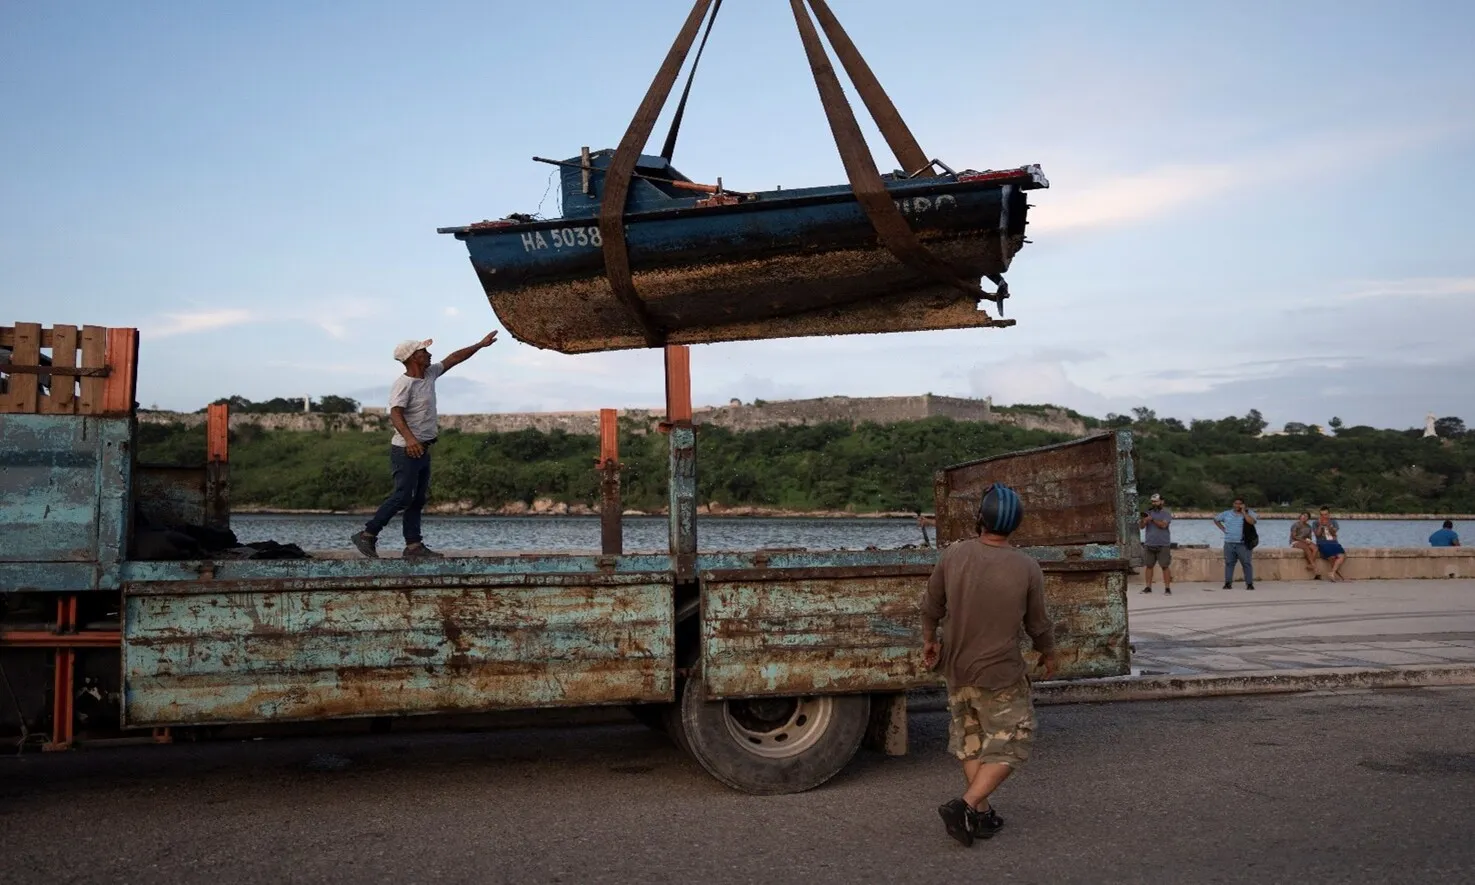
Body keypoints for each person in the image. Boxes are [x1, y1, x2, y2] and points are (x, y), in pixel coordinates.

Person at [921, 482, 1057, 847]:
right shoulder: (1027, 566)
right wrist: (1049, 652)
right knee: (1013, 742)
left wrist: (930, 640)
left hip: (956, 668)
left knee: (973, 743)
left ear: (980, 518)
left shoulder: (954, 554)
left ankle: (980, 815)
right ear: (1016, 524)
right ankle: (964, 805)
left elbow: (931, 605)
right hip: (1000, 673)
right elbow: (1038, 624)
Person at [351, 332, 499, 559]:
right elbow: (396, 414)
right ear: (412, 358)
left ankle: (413, 546)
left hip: (423, 447)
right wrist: (410, 440)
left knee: (417, 499)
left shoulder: (429, 374)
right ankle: (368, 534)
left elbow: (454, 358)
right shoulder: (403, 384)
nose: (429, 355)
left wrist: (480, 345)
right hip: (406, 449)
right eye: (423, 352)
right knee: (403, 496)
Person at [1213, 497, 1258, 590]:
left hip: (1243, 543)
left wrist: (1244, 512)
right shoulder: (1226, 513)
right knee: (1229, 563)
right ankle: (1228, 583)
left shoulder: (1250, 513)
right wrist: (1223, 529)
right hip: (1229, 542)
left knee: (1246, 563)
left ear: (1243, 504)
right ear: (1233, 504)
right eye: (1235, 503)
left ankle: (1249, 584)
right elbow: (1216, 519)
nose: (1237, 505)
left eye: (1239, 503)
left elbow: (1252, 522)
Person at [1139, 493, 1173, 594]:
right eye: (1153, 501)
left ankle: (1167, 588)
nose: (1154, 503)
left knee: (1165, 566)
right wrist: (1144, 521)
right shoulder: (1148, 512)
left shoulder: (1166, 513)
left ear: (1162, 502)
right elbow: (1141, 527)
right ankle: (1148, 587)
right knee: (1149, 566)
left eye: (1156, 501)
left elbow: (1163, 525)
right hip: (1149, 543)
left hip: (1163, 544)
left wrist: (1152, 520)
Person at [1314, 506, 1348, 581]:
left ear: (1329, 514)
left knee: (1342, 556)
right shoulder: (1315, 523)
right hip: (1322, 543)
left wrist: (1329, 526)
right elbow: (1317, 535)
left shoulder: (1334, 522)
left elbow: (1334, 533)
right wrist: (1320, 525)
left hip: (1333, 542)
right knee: (1332, 557)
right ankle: (1338, 575)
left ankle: (1332, 572)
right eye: (1322, 515)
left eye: (1325, 514)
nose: (1324, 516)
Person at [1290, 512, 1319, 576]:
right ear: (1300, 516)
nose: (1304, 517)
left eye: (1306, 516)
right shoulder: (1296, 525)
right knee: (1306, 547)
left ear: (1308, 519)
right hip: (1295, 541)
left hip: (1304, 541)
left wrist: (1309, 541)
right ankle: (1314, 567)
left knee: (1315, 548)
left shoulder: (1309, 527)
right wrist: (1304, 541)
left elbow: (1309, 537)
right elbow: (1294, 536)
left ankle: (1310, 565)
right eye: (1303, 515)